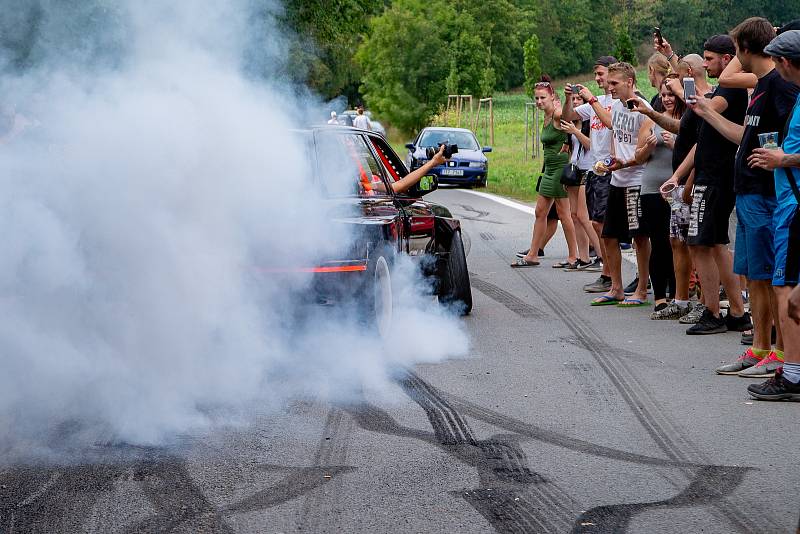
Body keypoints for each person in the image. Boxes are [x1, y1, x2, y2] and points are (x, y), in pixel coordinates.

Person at [692, 19, 799, 376]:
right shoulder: (762, 88)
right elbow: (746, 137)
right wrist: (707, 112)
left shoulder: (779, 86)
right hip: (750, 193)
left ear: (746, 49)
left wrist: (779, 158)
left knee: (771, 278)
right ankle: (760, 347)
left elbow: (785, 143)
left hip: (769, 194)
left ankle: (781, 353)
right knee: (755, 276)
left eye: (736, 48)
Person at [659, 37, 751, 336]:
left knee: (699, 243)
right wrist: (680, 176)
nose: (707, 64)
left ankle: (713, 310)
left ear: (728, 59)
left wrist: (685, 91)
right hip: (707, 175)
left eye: (710, 59)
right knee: (715, 244)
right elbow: (702, 142)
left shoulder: (729, 91)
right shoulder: (719, 88)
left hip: (717, 177)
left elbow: (708, 109)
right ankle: (736, 311)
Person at [744, 29, 800, 399]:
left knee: (786, 290)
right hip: (789, 201)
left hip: (795, 206)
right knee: (787, 290)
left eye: (777, 60)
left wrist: (784, 158)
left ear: (784, 61)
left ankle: (792, 373)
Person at [587, 62, 652, 307]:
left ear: (630, 82)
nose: (610, 87)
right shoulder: (615, 106)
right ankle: (616, 287)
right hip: (617, 178)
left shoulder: (642, 109)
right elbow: (616, 135)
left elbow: (644, 150)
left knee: (640, 237)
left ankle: (642, 289)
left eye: (615, 83)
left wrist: (623, 163)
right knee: (609, 235)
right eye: (609, 82)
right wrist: (612, 159)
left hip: (636, 180)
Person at [562, 56, 618, 290]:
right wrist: (567, 99)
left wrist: (593, 100)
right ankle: (607, 271)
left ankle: (611, 275)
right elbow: (568, 116)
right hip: (595, 169)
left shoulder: (616, 100)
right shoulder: (598, 101)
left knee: (601, 223)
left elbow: (610, 123)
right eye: (595, 74)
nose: (597, 79)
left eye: (601, 74)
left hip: (609, 168)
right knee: (597, 223)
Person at [512, 76, 579, 268]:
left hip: (560, 169)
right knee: (540, 211)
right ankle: (533, 254)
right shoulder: (546, 115)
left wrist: (567, 100)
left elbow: (570, 117)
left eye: (543, 98)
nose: (539, 102)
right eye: (537, 98)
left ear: (552, 97)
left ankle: (574, 256)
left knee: (564, 214)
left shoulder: (557, 113)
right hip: (548, 170)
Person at [635, 78, 685, 316]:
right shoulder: (650, 120)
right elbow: (638, 158)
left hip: (678, 189)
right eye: (663, 95)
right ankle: (659, 297)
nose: (666, 98)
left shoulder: (687, 120)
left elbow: (694, 153)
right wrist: (648, 147)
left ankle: (679, 295)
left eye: (671, 94)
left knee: (678, 244)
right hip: (652, 189)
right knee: (659, 243)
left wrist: (676, 144)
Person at [559, 91, 602, 270]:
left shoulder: (590, 121)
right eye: (573, 99)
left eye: (578, 99)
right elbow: (572, 149)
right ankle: (583, 257)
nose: (576, 102)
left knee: (585, 217)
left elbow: (591, 146)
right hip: (575, 170)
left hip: (588, 169)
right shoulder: (571, 121)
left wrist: (575, 131)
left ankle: (601, 256)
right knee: (574, 215)